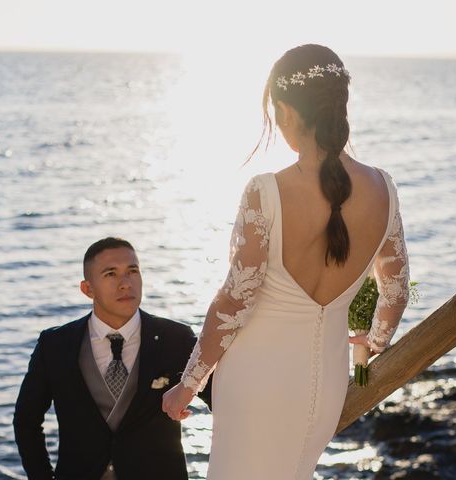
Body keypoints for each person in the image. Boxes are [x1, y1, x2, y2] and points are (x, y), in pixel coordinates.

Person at [162, 44, 411, 479]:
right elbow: (394, 292)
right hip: (324, 389)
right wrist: (366, 350)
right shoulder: (383, 189)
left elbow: (233, 302)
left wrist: (189, 384)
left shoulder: (267, 192)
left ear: (287, 112)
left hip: (255, 384)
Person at [13, 237, 212, 480]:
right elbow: (26, 421)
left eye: (132, 271)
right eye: (110, 274)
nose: (125, 283)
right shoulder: (54, 345)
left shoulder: (176, 339)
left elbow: (222, 401)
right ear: (87, 289)